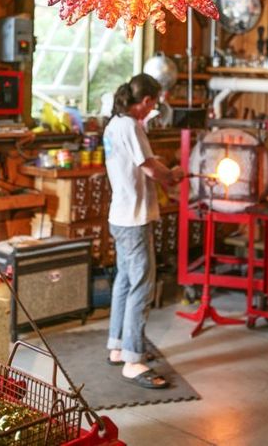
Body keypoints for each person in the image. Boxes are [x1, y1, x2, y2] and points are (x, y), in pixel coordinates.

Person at [103, 73, 184, 389]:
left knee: (125, 280)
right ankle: (133, 360)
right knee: (141, 285)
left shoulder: (114, 123)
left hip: (120, 216)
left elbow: (137, 163)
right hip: (134, 219)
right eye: (153, 103)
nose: (153, 109)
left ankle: (118, 346)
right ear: (147, 101)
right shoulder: (131, 126)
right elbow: (149, 167)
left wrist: (160, 169)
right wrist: (172, 175)